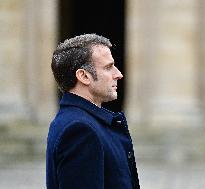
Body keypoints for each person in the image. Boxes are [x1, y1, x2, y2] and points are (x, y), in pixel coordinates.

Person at [46, 34, 140, 189]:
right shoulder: (80, 130)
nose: (118, 74)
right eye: (108, 67)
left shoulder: (80, 122)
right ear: (84, 76)